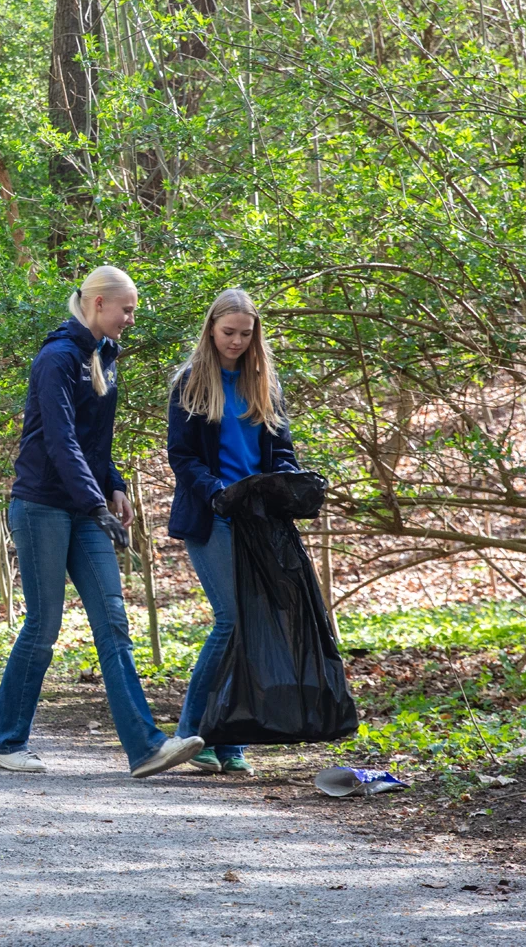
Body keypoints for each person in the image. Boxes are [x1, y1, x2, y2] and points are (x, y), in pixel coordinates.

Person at [0, 266, 204, 778]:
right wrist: (97, 504)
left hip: (85, 507)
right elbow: (59, 442)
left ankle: (147, 748)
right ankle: (5, 740)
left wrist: (116, 485)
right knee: (43, 627)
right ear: (98, 303)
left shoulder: (106, 357)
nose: (130, 318)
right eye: (125, 309)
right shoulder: (57, 357)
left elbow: (93, 442)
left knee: (113, 623)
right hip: (41, 506)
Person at [167, 288, 300, 775]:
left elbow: (282, 450)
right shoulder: (189, 382)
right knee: (231, 619)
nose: (237, 342)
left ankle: (231, 740)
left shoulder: (263, 382)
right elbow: (182, 458)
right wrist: (220, 492)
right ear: (210, 329)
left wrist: (285, 482)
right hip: (212, 515)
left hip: (257, 519)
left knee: (253, 625)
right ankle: (191, 734)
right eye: (229, 332)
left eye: (246, 334)